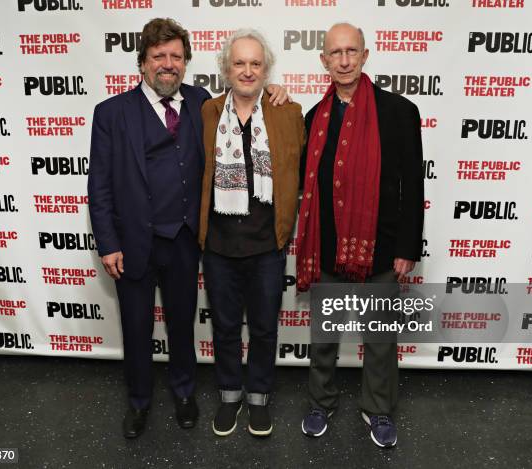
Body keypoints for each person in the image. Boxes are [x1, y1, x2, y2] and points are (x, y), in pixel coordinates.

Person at [88, 17, 289, 439]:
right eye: (158, 56)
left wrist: (275, 91)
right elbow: (100, 183)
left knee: (182, 325)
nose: (167, 64)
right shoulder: (110, 113)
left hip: (183, 239)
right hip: (133, 242)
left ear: (187, 62)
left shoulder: (204, 103)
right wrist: (107, 243)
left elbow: (248, 98)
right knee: (137, 327)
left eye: (176, 56)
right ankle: (139, 402)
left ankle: (184, 394)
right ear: (142, 63)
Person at [297, 23, 424, 448]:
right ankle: (320, 402)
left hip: (384, 248)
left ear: (366, 55)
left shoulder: (399, 112)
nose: (345, 60)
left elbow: (413, 186)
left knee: (381, 339)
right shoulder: (313, 119)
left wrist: (408, 248)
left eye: (352, 51)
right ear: (324, 61)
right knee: (323, 337)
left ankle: (379, 410)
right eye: (336, 53)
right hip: (328, 248)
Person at [199, 29, 304, 437]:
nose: (247, 70)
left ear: (266, 69)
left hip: (266, 245)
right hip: (220, 245)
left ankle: (258, 397)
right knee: (224, 326)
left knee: (263, 326)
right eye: (239, 63)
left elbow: (299, 173)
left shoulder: (287, 112)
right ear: (226, 68)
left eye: (255, 63)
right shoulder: (207, 111)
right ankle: (229, 395)